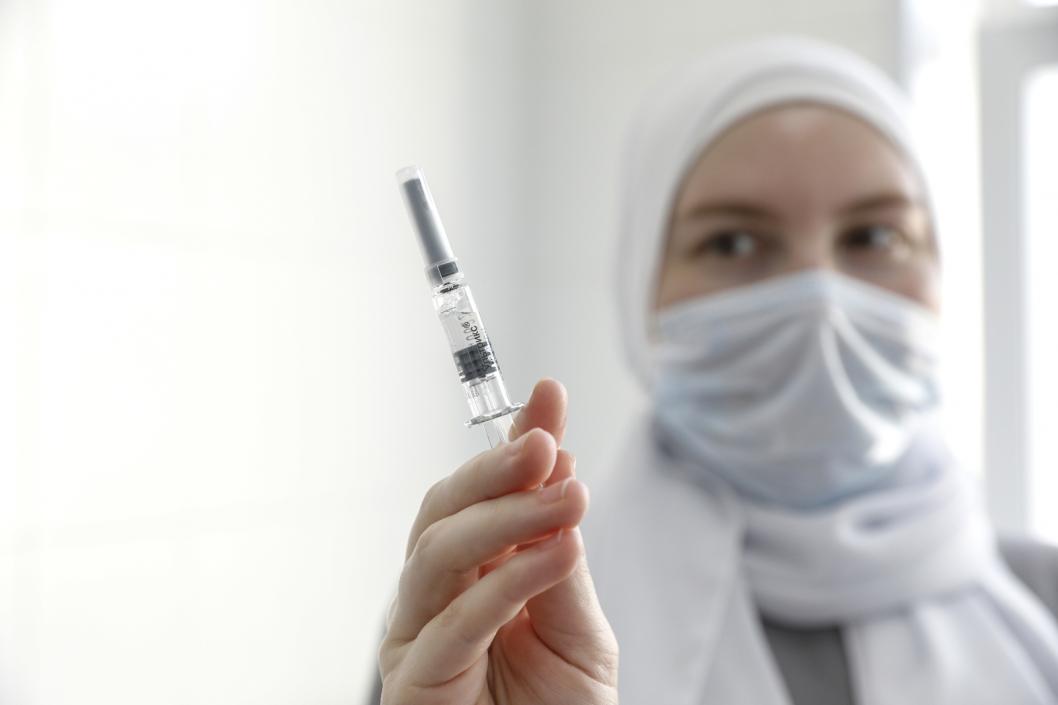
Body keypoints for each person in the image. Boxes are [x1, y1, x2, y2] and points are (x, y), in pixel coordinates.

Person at [372, 36, 1058, 705]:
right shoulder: (497, 620)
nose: (818, 297)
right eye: (733, 241)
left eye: (874, 236)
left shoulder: (1045, 600)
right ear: (641, 290)